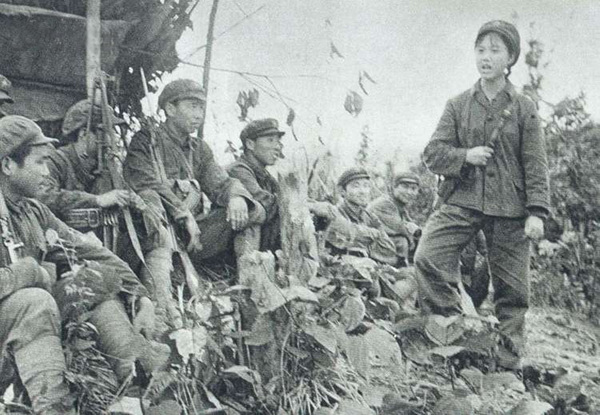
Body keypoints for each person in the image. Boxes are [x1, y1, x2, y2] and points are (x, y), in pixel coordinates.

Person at [0, 116, 164, 415]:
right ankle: (55, 408)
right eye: (39, 162)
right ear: (8, 165)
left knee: (92, 281)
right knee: (34, 300)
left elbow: (93, 252)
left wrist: (142, 297)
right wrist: (28, 272)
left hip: (22, 333)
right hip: (11, 332)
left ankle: (141, 385)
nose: (46, 172)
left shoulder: (34, 212)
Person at [413, 20, 550, 369]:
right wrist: (465, 155)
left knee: (512, 291)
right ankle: (448, 333)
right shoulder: (458, 104)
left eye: (495, 50)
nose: (486, 57)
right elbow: (433, 153)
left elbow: (535, 163)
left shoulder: (524, 107)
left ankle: (507, 361)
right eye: (480, 49)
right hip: (463, 200)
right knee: (428, 256)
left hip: (510, 207)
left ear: (510, 58)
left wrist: (536, 212)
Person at [38, 99, 181, 334]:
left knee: (158, 236)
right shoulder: (55, 161)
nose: (112, 140)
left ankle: (160, 309)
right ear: (84, 133)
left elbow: (123, 198)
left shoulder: (106, 168)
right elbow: (43, 198)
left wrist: (137, 205)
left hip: (105, 247)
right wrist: (95, 200)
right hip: (68, 253)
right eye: (105, 133)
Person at [123, 79, 262, 271]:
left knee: (252, 210)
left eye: (201, 108)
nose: (199, 115)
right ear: (170, 109)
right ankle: (160, 270)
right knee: (149, 200)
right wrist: (183, 213)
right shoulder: (145, 141)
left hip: (192, 233)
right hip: (156, 231)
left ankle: (247, 275)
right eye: (192, 107)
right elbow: (144, 183)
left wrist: (236, 196)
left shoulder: (199, 149)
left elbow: (220, 182)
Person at [309, 167, 397, 265]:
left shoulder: (370, 217)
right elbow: (323, 251)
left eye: (366, 186)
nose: (362, 191)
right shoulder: (332, 213)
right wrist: (372, 236)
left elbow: (389, 251)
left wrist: (358, 240)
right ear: (342, 191)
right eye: (356, 186)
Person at [227, 118, 284, 253]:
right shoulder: (238, 170)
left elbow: (284, 196)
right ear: (250, 144)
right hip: (233, 254)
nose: (277, 147)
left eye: (278, 142)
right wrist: (309, 206)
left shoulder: (265, 176)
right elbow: (265, 201)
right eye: (270, 140)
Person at [367, 172, 422, 267]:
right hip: (370, 247)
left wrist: (417, 232)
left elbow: (411, 226)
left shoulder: (400, 206)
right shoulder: (385, 203)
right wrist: (416, 233)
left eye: (413, 189)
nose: (409, 192)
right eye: (405, 187)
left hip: (381, 245)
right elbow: (401, 229)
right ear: (394, 187)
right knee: (402, 241)